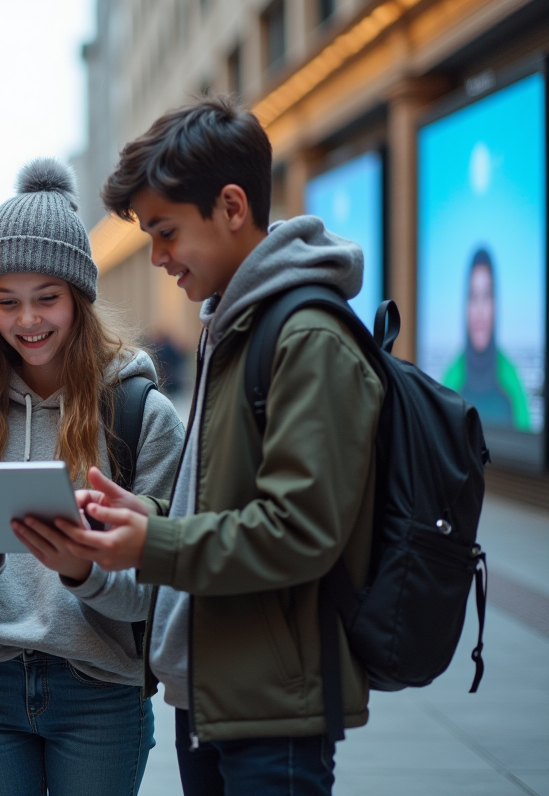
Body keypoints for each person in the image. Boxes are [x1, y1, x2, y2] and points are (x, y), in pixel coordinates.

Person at [54, 96, 385, 796]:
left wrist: (154, 543)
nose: (157, 256)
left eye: (166, 231)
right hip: (215, 691)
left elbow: (300, 532)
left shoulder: (305, 337)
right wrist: (138, 513)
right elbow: (224, 495)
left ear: (232, 206)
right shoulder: (235, 324)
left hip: (273, 706)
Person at [0, 158, 185, 796]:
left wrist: (80, 569)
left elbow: (158, 596)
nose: (27, 321)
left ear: (79, 298)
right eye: (6, 302)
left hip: (100, 690)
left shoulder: (139, 411)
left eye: (47, 298)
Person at [442, 247, 531, 431]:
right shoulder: (449, 382)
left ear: (496, 305)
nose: (480, 310)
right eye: (473, 296)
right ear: (465, 306)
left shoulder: (513, 385)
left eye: (487, 296)